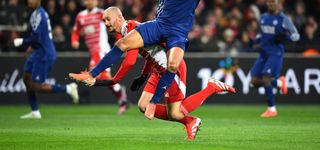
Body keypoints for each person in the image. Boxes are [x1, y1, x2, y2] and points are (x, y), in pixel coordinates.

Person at [69, 0, 257, 119]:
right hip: (159, 25)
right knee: (123, 44)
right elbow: (162, 1)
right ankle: (91, 75)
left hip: (178, 32)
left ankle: (154, 102)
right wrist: (157, 19)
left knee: (173, 65)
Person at [70, 7, 236, 140]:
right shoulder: (131, 29)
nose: (106, 23)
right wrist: (143, 76)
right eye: (104, 20)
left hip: (171, 69)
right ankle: (190, 121)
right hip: (157, 71)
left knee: (175, 113)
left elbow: (129, 61)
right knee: (143, 106)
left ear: (119, 17)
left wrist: (109, 81)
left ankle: (211, 89)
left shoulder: (130, 30)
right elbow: (151, 55)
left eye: (108, 19)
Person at [13, 0, 79, 119]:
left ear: (39, 0)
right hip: (37, 51)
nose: (29, 0)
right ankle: (35, 111)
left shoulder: (40, 14)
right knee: (26, 79)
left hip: (44, 53)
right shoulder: (34, 14)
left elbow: (37, 37)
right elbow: (38, 36)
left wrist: (23, 41)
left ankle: (68, 89)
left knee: (36, 85)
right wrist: (31, 48)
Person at [71, 0, 129, 115]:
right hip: (93, 51)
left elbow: (114, 25)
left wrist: (121, 40)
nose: (90, 2)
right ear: (84, 1)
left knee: (95, 73)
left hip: (101, 49)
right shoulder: (80, 16)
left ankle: (120, 93)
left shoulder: (101, 14)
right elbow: (76, 30)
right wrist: (74, 40)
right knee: (104, 77)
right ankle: (120, 94)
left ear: (96, 2)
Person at [250, 0, 300, 117]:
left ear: (278, 4)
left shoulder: (283, 19)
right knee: (254, 82)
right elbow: (261, 34)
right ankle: (278, 83)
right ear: (267, 4)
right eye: (269, 2)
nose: (271, 4)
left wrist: (286, 37)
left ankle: (272, 109)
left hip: (275, 52)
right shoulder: (263, 18)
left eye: (273, 2)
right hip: (263, 52)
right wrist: (255, 42)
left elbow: (296, 35)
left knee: (266, 77)